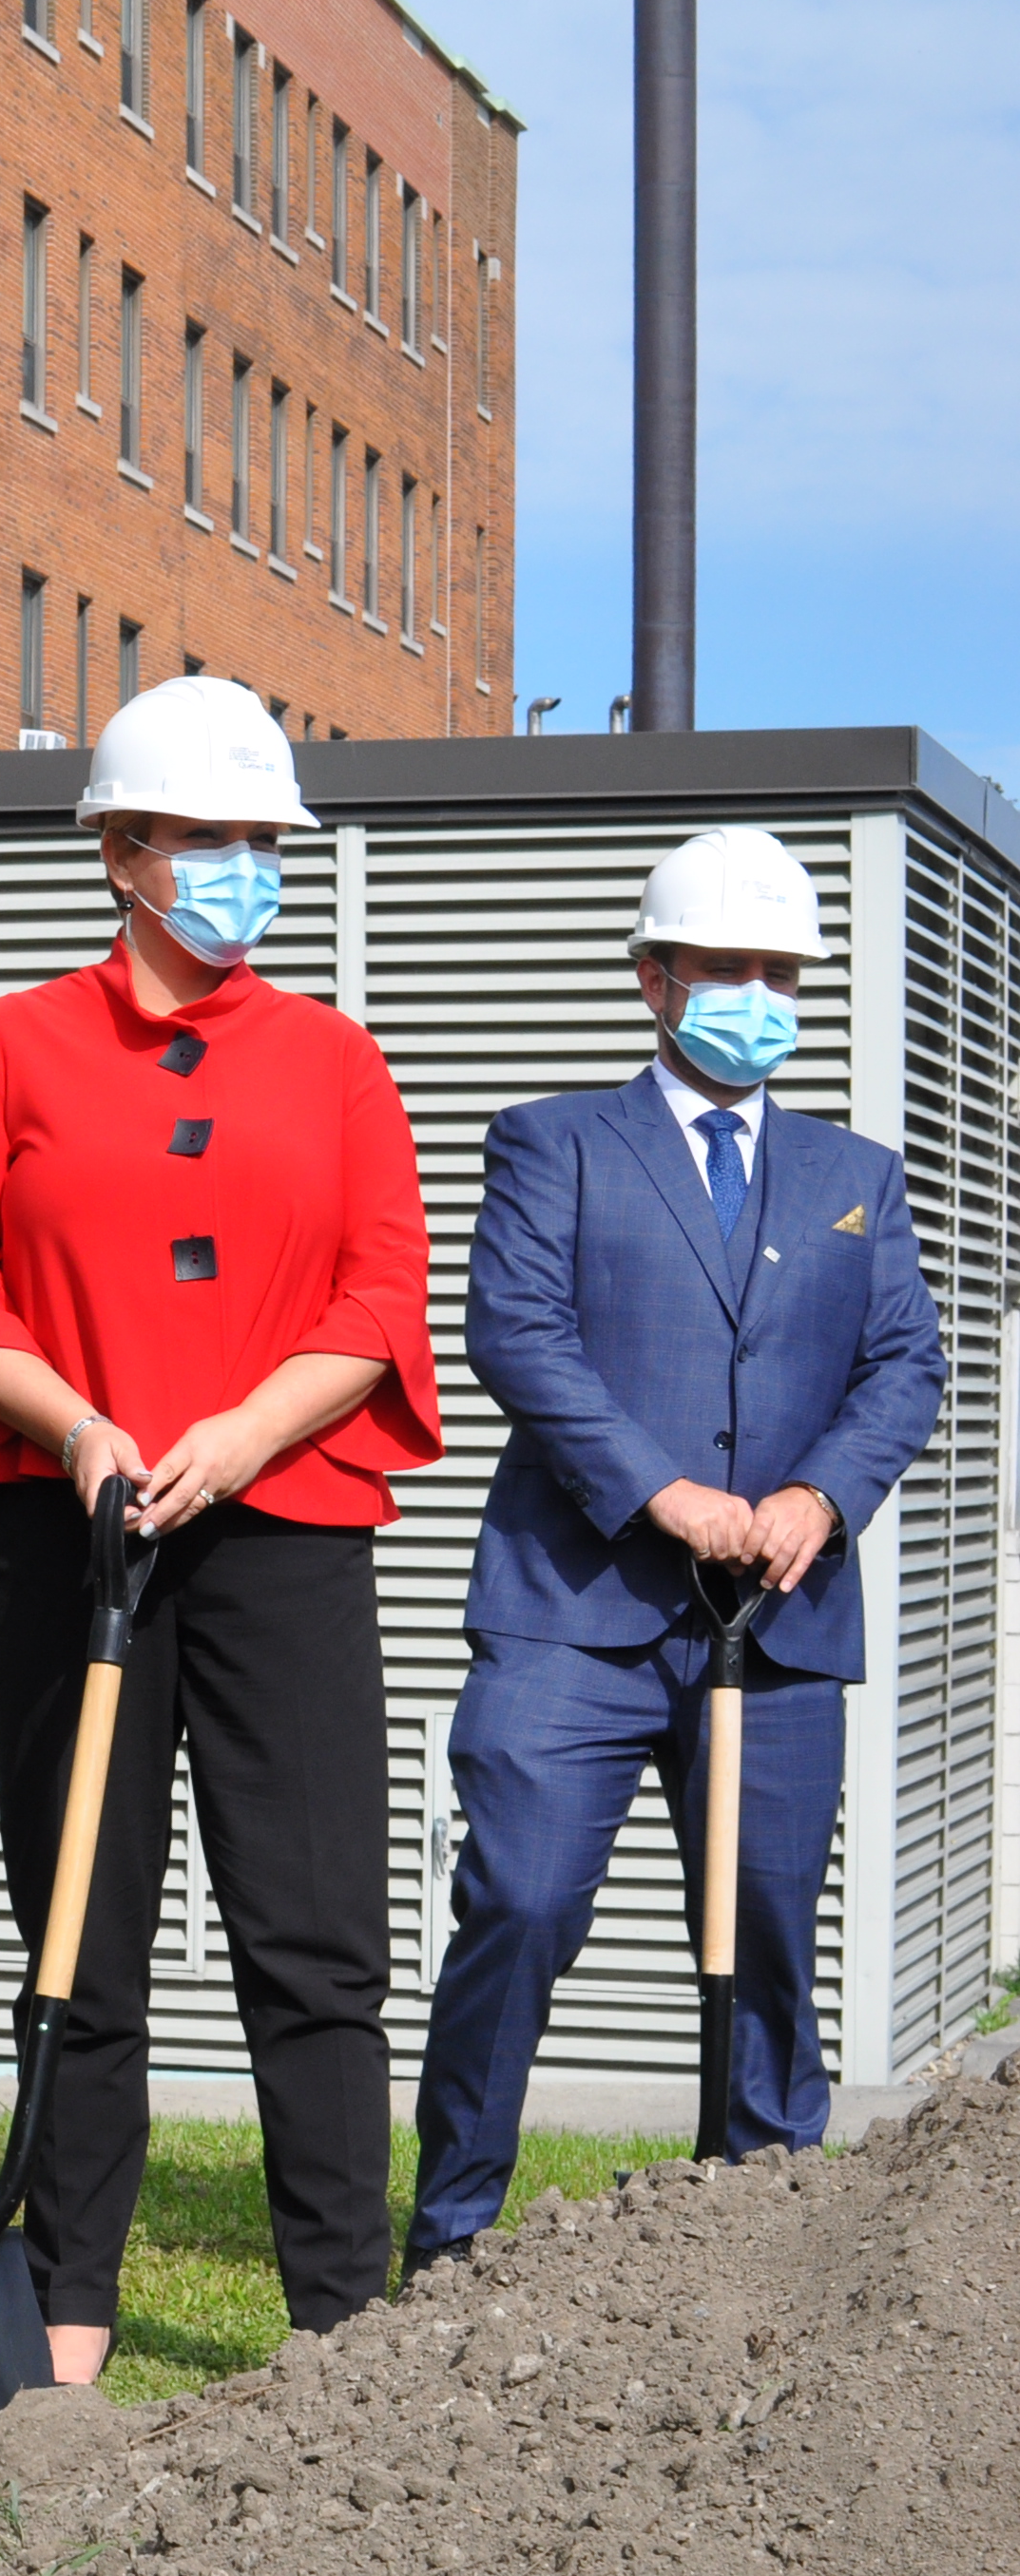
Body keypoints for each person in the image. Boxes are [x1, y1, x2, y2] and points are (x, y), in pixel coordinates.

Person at [0, 677, 440, 2376]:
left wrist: (240, 1436)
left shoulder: (336, 1063)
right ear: (123, 852)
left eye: (263, 844)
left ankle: (341, 2323)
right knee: (81, 1925)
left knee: (315, 1932)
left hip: (283, 1533)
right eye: (213, 842)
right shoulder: (6, 1047)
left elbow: (376, 1299)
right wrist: (81, 1430)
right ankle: (67, 2323)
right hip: (72, 1532)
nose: (244, 873)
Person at [406, 830, 944, 2280]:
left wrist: (817, 1501)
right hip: (571, 1610)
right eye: (727, 971)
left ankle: (765, 2232)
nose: (758, 996)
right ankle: (452, 2236)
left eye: (781, 974)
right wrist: (665, 1496)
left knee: (767, 1928)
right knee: (516, 1905)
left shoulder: (856, 1176)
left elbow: (904, 1367)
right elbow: (519, 1335)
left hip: (779, 1619)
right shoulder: (553, 1141)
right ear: (655, 980)